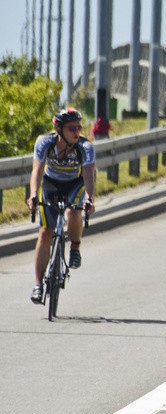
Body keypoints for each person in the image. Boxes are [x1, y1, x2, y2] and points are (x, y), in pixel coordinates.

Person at [26, 108, 97, 304]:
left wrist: (89, 199)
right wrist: (32, 195)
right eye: (72, 128)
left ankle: (75, 248)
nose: (77, 132)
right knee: (44, 233)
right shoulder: (45, 143)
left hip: (76, 183)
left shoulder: (85, 147)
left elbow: (89, 176)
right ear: (59, 129)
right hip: (52, 183)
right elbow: (37, 172)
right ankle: (38, 285)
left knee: (73, 213)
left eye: (79, 127)